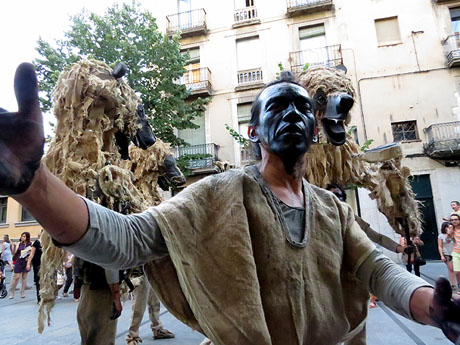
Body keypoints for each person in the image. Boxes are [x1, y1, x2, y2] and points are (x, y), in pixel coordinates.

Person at [1, 64, 460, 344]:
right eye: (276, 109)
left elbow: (377, 268)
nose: (293, 116)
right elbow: (129, 238)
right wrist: (33, 183)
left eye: (303, 109)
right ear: (254, 131)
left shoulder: (331, 209)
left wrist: (427, 306)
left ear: (316, 131)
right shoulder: (217, 195)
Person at [325, 183, 406, 254]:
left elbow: (378, 238)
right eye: (331, 196)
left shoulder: (352, 219)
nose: (335, 200)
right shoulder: (321, 219)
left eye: (338, 196)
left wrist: (400, 248)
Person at [9, 231, 32, 299]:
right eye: (22, 236)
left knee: (24, 278)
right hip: (19, 261)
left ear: (27, 237)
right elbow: (14, 253)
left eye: (24, 236)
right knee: (16, 277)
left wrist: (29, 257)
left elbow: (32, 253)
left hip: (26, 261)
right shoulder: (19, 244)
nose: (23, 237)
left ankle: (22, 292)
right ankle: (12, 292)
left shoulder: (30, 244)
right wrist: (12, 247)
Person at [438, 222, 456, 290]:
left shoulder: (455, 234)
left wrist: (451, 234)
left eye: (451, 227)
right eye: (448, 227)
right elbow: (440, 246)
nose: (449, 229)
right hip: (447, 254)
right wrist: (442, 256)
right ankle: (453, 284)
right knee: (451, 269)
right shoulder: (441, 236)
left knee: (457, 269)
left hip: (455, 252)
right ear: (444, 228)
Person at [27, 229, 43, 303]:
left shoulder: (49, 243)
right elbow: (32, 254)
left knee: (47, 279)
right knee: (38, 280)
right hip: (37, 263)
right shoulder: (37, 242)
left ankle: (46, 296)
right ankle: (39, 298)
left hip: (46, 263)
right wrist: (28, 263)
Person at [451, 213, 460, 295]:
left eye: (456, 219)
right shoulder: (452, 229)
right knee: (457, 272)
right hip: (456, 252)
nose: (454, 221)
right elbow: (447, 239)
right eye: (452, 220)